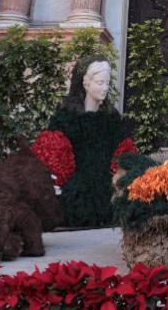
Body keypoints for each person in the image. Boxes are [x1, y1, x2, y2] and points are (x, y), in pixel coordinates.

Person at [44, 56, 133, 228]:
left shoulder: (111, 118)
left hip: (107, 189)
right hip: (76, 192)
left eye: (107, 83)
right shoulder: (66, 118)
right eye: (100, 82)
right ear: (86, 84)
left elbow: (122, 153)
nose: (105, 88)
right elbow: (53, 154)